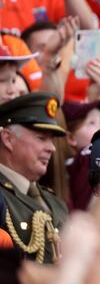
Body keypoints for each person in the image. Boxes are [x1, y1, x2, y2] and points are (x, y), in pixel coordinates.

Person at [0, 92, 68, 263]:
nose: (52, 148)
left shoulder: (54, 201)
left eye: (51, 140)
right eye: (41, 138)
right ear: (8, 138)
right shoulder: (2, 199)